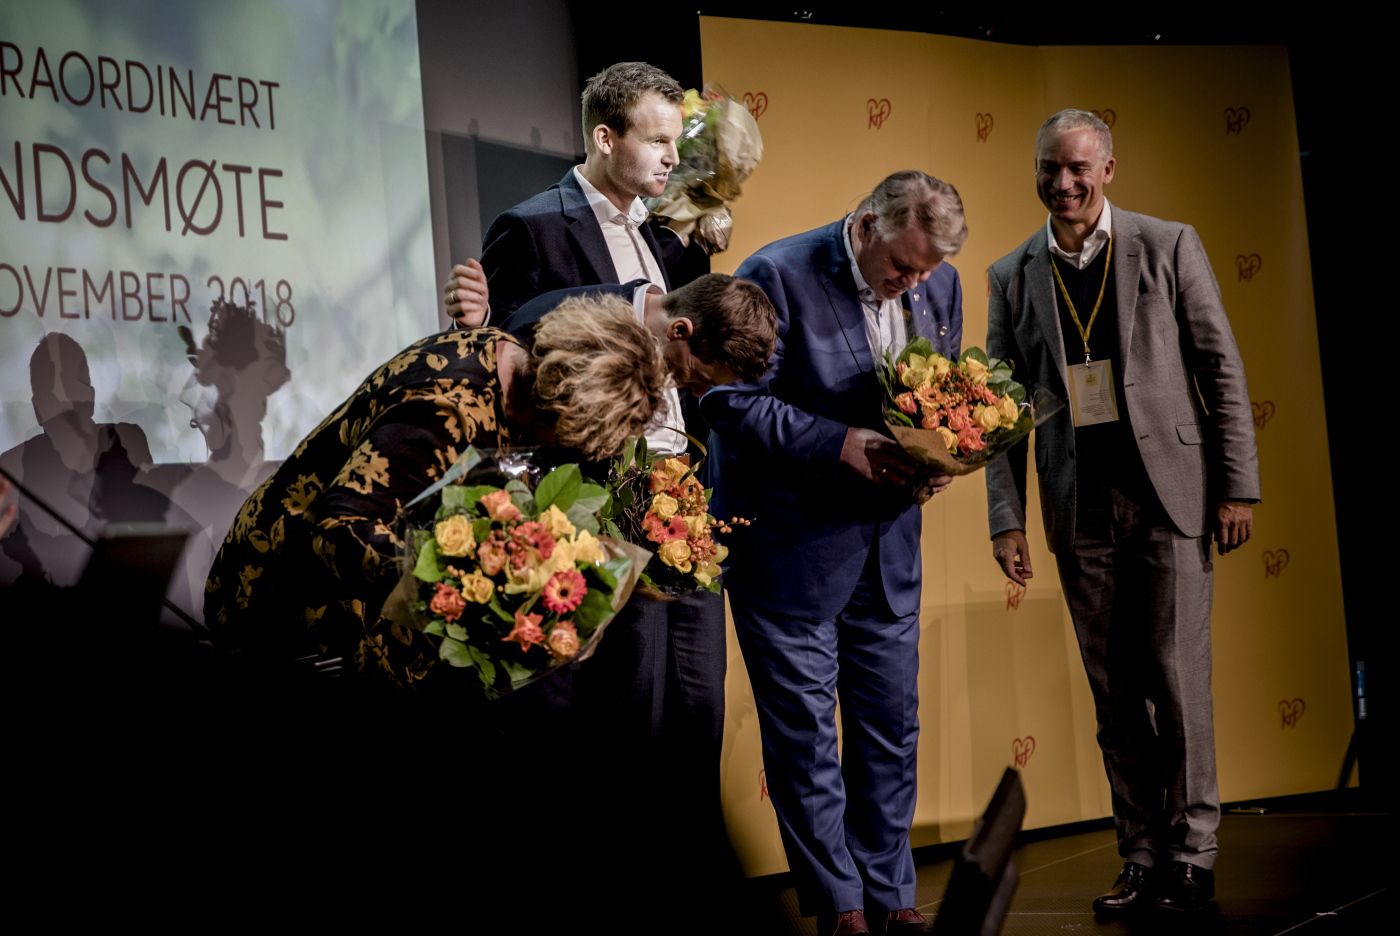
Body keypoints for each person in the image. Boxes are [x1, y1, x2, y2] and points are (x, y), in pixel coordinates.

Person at [440, 63, 742, 911]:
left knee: (697, 710)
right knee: (628, 715)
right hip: (600, 499)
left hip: (684, 497)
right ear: (606, 137)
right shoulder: (532, 226)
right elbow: (505, 352)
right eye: (657, 139)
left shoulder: (673, 237)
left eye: (676, 140)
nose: (671, 156)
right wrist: (475, 325)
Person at [984, 108, 1260, 915]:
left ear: (1107, 168)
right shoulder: (1011, 273)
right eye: (1050, 168)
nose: (1063, 183)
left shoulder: (1168, 245)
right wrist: (1006, 518)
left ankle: (1193, 852)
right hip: (1081, 510)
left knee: (1177, 684)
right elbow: (998, 411)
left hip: (1171, 499)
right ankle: (1140, 854)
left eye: (1078, 168)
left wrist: (1238, 486)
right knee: (1115, 697)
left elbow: (1220, 368)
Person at [702, 170, 967, 936]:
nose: (913, 284)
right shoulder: (776, 273)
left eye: (925, 272)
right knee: (806, 742)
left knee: (891, 731)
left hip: (890, 549)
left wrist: (941, 455)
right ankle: (841, 908)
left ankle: (891, 895)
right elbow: (728, 400)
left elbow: (938, 401)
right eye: (902, 267)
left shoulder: (940, 284)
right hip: (791, 552)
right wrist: (836, 443)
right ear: (867, 224)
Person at [204, 295, 668, 685]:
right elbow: (339, 530)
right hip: (285, 606)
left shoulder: (508, 354)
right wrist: (470, 584)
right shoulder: (445, 411)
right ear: (555, 405)